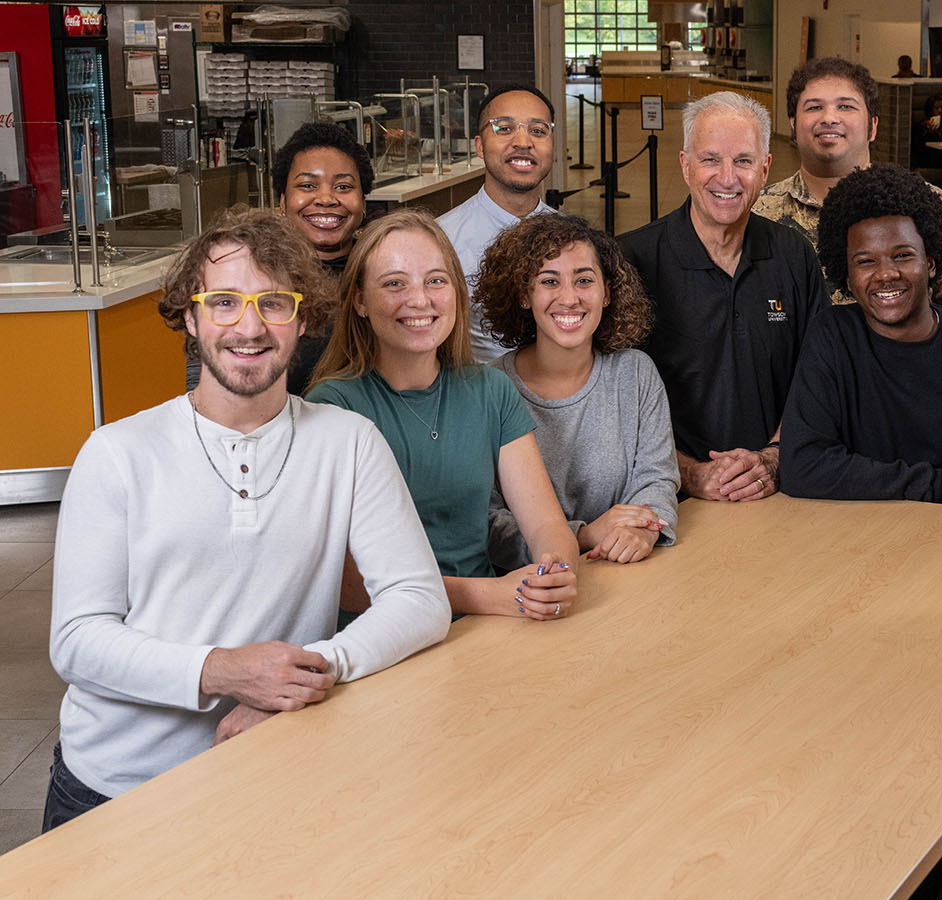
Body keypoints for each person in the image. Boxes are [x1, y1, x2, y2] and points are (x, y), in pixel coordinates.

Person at [46, 207, 451, 830]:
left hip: (267, 771)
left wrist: (305, 676)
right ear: (190, 313)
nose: (249, 326)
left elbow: (420, 600)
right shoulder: (117, 452)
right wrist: (226, 670)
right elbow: (77, 641)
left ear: (304, 317)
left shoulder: (348, 442)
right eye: (225, 302)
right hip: (113, 789)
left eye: (275, 303)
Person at [308, 209, 580, 621]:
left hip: (486, 627)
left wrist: (554, 571)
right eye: (395, 284)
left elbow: (546, 524)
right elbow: (351, 588)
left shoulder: (491, 390)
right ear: (360, 301)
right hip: (386, 638)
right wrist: (491, 596)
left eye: (436, 280)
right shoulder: (333, 406)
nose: (419, 299)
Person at [778, 165, 942, 512]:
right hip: (852, 540)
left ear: (931, 263)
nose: (885, 274)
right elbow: (802, 466)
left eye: (903, 256)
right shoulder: (831, 337)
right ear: (847, 278)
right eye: (865, 262)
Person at [620, 91, 828, 503]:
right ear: (685, 165)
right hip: (667, 497)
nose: (727, 178)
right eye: (710, 159)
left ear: (765, 168)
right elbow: (611, 405)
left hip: (781, 491)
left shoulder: (794, 254)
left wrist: (774, 458)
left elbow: (820, 377)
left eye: (744, 161)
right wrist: (692, 474)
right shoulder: (632, 260)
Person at [476, 212, 679, 566]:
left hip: (629, 573)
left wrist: (644, 529)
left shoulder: (635, 374)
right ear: (525, 295)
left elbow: (658, 478)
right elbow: (484, 520)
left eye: (584, 280)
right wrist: (583, 535)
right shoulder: (487, 389)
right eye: (549, 282)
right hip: (533, 590)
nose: (569, 298)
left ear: (606, 294)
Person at [752, 57, 942, 300]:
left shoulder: (926, 207)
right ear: (793, 126)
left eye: (846, 106)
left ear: (873, 126)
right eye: (814, 107)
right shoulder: (757, 212)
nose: (829, 118)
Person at [186, 124, 375, 396]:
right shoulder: (247, 272)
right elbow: (204, 375)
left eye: (343, 186)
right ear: (283, 202)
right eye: (307, 185)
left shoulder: (383, 274)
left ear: (363, 202)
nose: (326, 198)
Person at [437, 84, 559, 363]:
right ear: (479, 145)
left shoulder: (573, 239)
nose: (523, 142)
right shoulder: (442, 238)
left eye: (538, 131)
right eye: (504, 129)